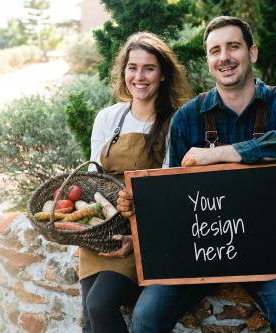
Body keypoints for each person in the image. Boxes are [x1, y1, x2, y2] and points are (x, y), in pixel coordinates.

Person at [117, 16, 276, 333]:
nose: (224, 57)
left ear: (252, 53)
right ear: (209, 60)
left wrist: (220, 153)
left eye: (233, 47)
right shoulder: (188, 118)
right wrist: (139, 210)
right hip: (198, 254)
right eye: (215, 50)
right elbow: (171, 197)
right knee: (145, 319)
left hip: (269, 255)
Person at [81, 32, 190, 333]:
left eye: (149, 68)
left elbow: (172, 191)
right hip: (102, 229)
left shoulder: (175, 122)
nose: (139, 76)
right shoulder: (108, 118)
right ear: (123, 71)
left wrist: (141, 239)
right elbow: (94, 179)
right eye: (132, 67)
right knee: (90, 319)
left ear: (164, 74)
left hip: (145, 232)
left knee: (100, 305)